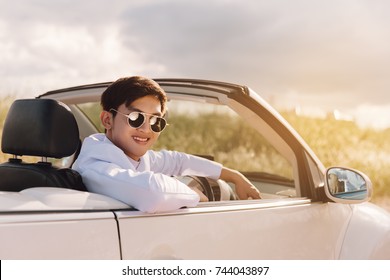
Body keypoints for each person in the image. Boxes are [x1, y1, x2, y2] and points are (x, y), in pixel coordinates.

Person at [72, 76, 261, 213]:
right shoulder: (96, 167)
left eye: (156, 122)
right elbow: (153, 192)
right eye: (136, 118)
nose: (147, 129)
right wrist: (195, 194)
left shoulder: (131, 155)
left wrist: (234, 176)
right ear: (107, 120)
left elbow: (177, 161)